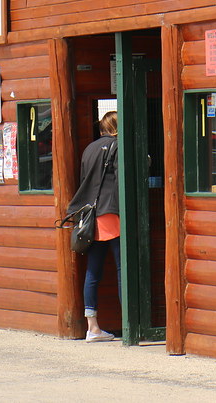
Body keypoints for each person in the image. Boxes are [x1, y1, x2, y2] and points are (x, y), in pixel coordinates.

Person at [65, 111, 120, 342]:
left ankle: (92, 327)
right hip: (113, 214)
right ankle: (130, 323)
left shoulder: (89, 149)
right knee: (122, 270)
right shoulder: (118, 147)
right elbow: (121, 181)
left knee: (93, 272)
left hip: (91, 217)